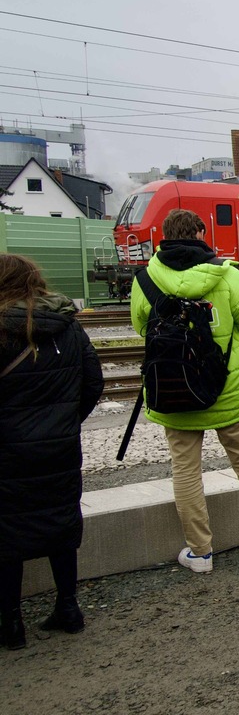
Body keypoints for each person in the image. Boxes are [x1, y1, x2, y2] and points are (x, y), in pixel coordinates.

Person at [131, 209, 239, 574]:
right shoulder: (227, 275)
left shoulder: (144, 279)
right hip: (228, 393)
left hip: (174, 393)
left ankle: (201, 553)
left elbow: (141, 327)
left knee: (186, 469)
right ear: (201, 233)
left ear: (164, 236)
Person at [0, 254, 104, 649]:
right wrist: (64, 423)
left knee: (7, 533)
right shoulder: (68, 326)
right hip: (60, 448)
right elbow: (93, 382)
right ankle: (69, 608)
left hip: (7, 451)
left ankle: (11, 624)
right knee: (61, 524)